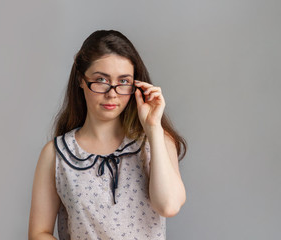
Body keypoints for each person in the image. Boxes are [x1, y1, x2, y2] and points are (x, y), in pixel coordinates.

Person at [28, 30, 187, 240]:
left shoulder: (156, 141)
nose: (112, 93)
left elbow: (168, 206)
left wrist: (153, 128)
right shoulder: (56, 154)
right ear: (81, 80)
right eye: (101, 79)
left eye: (123, 82)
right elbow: (39, 233)